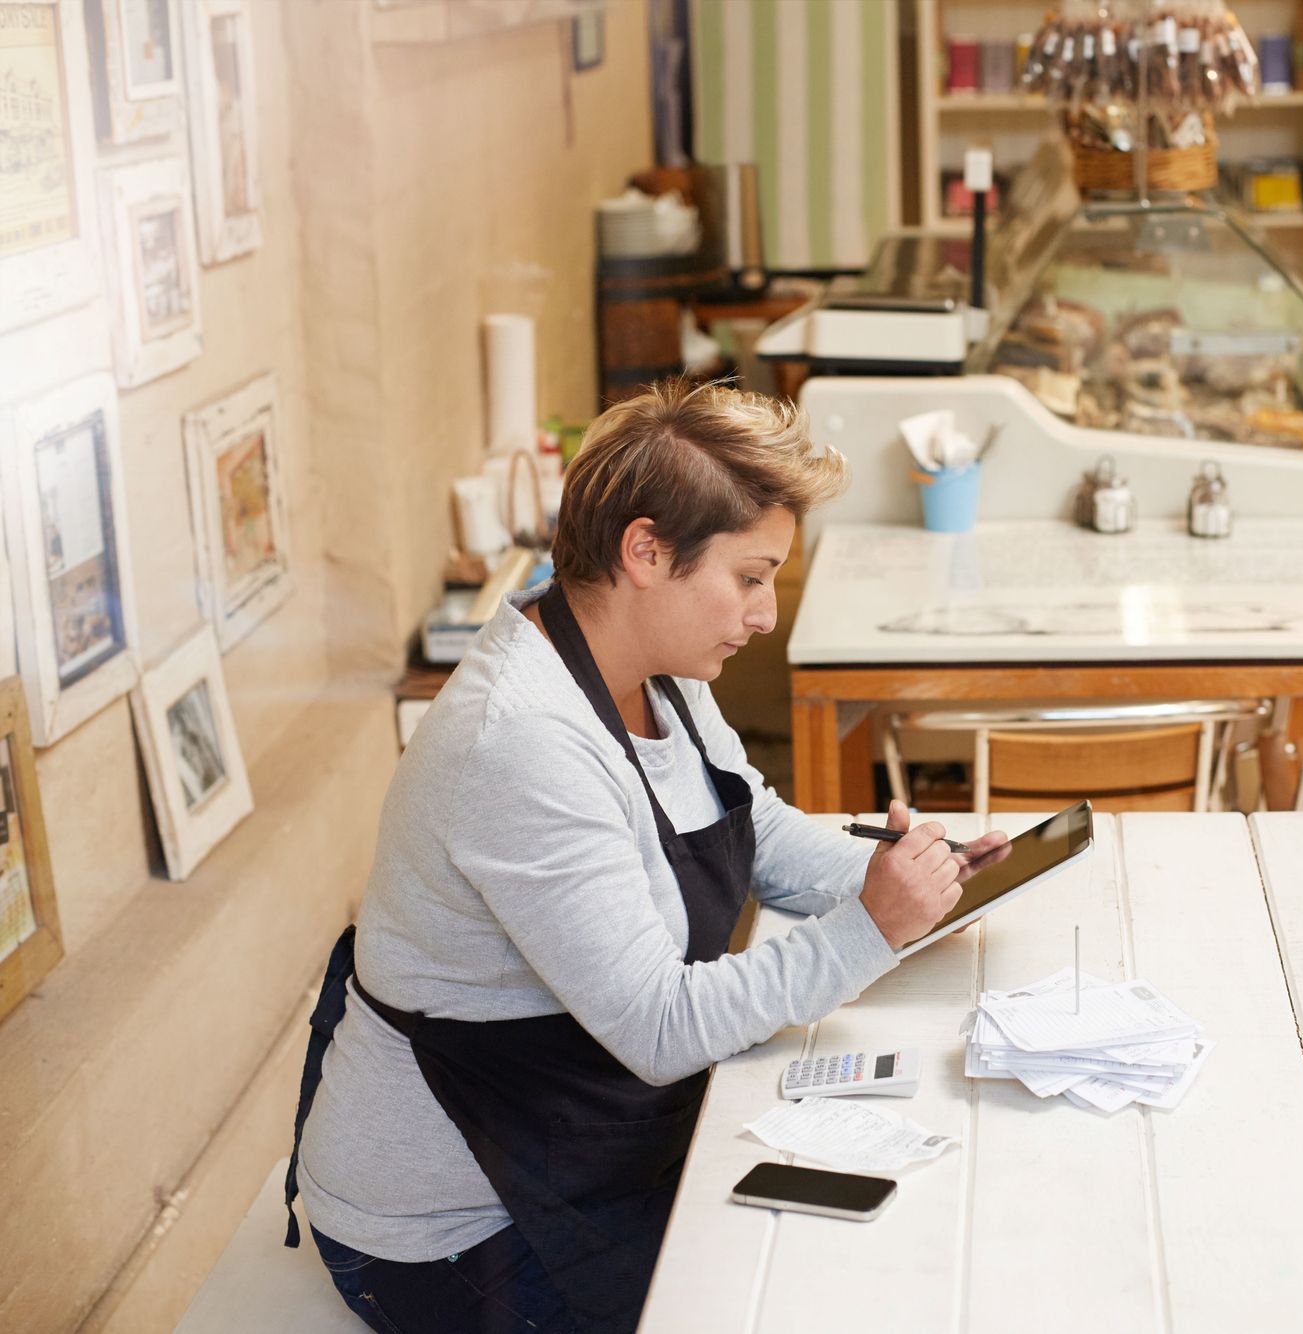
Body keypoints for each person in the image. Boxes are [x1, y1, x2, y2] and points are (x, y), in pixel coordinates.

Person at [282, 379, 1007, 1334]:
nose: (761, 614)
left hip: (583, 1148)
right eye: (749, 578)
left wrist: (924, 876)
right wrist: (871, 929)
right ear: (645, 551)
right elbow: (660, 1027)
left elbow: (758, 831)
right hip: (455, 1230)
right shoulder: (521, 741)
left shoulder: (648, 665)